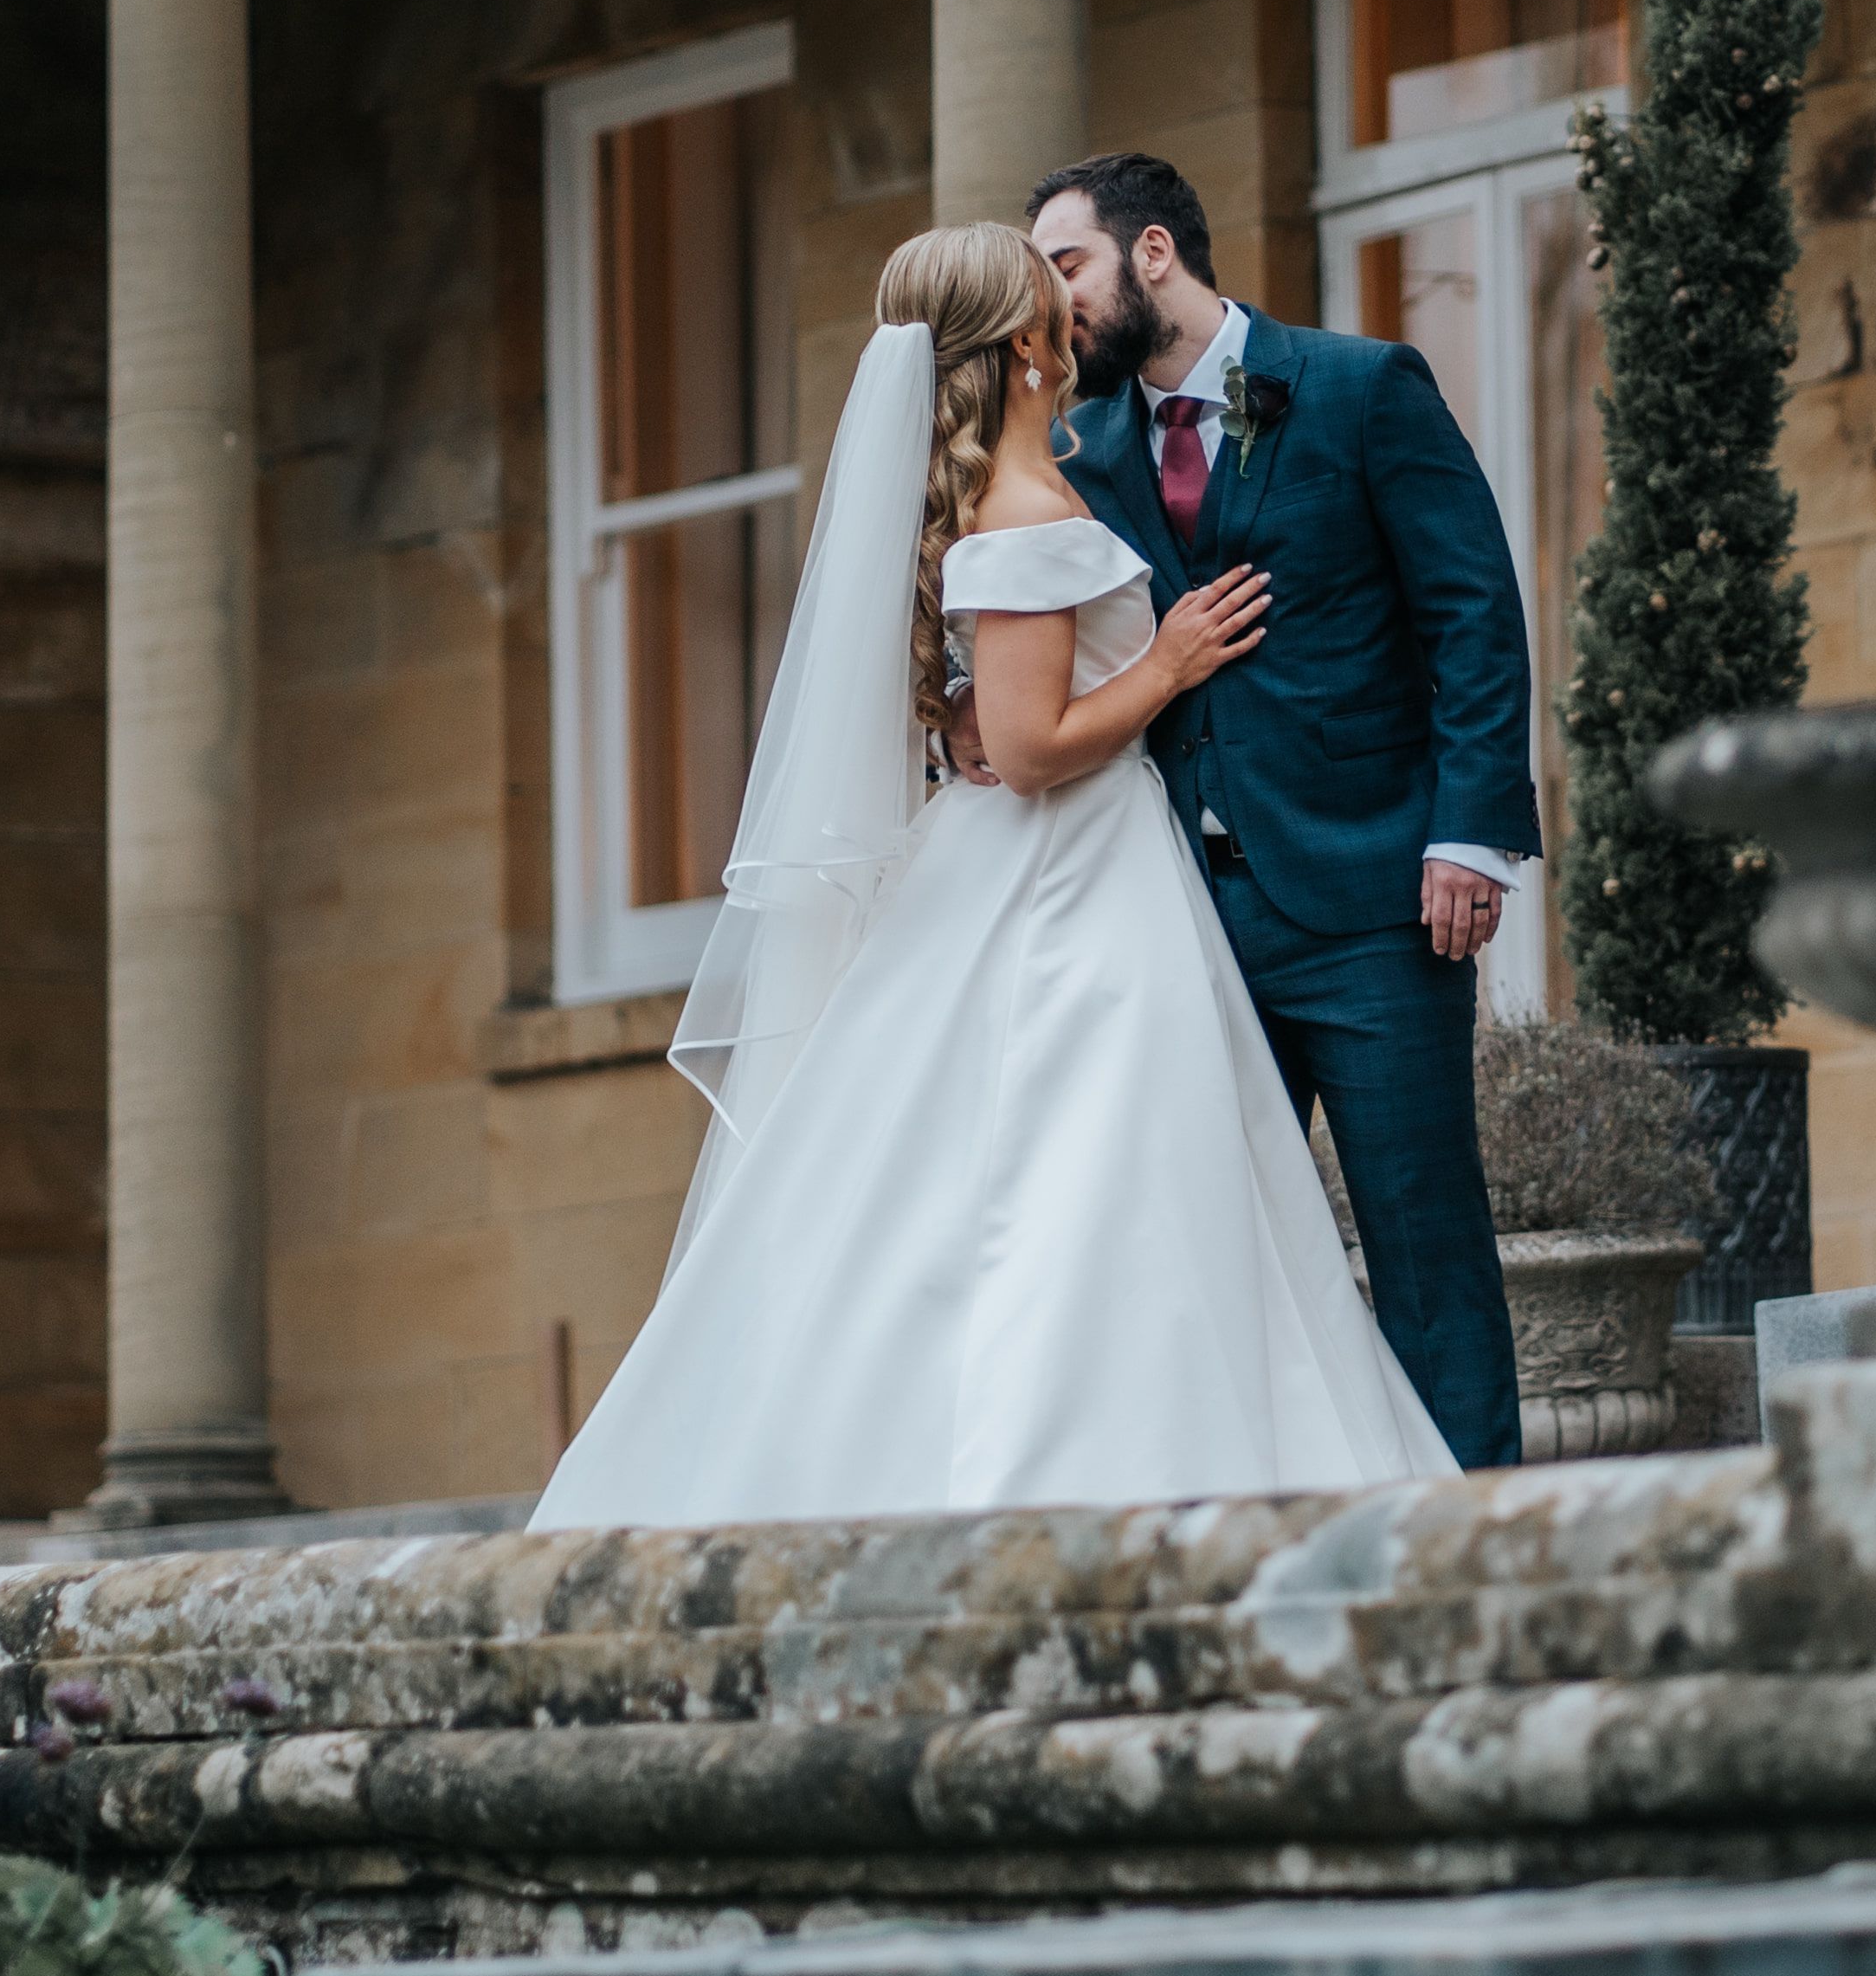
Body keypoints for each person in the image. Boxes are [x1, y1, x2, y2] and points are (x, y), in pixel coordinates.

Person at [527, 222, 1457, 1525]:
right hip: (1067, 877)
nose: (1076, 323)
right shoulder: (1021, 513)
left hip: (1064, 865)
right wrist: (1170, 665)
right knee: (1093, 1170)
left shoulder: (1016, 492)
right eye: (1053, 303)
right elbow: (1027, 750)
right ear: (1025, 345)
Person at [1026, 152, 1540, 1470]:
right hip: (1182, 924)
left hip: (1374, 903)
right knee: (1206, 1261)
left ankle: (1481, 1551)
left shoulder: (1364, 390)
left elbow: (1471, 613)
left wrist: (1467, 832)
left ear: (1152, 255)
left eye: (1067, 266)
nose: (1054, 300)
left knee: (1424, 1246)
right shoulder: (1080, 453)